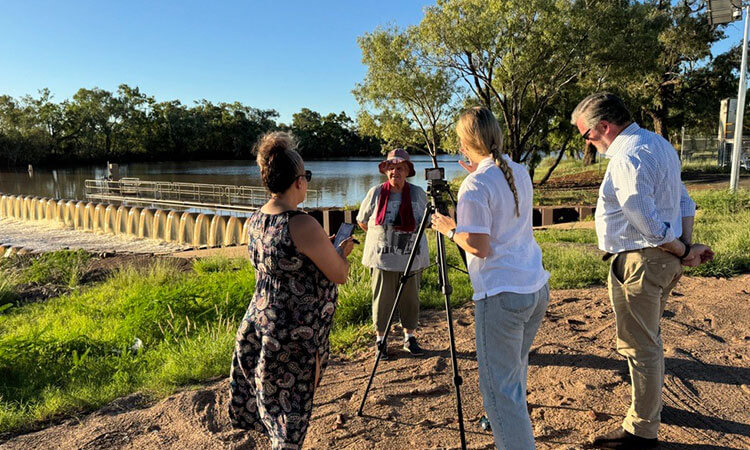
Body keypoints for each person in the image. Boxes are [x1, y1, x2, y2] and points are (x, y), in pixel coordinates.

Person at [571, 92, 714, 449]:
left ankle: (642, 429)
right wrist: (684, 247)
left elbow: (645, 222)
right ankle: (650, 406)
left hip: (641, 260)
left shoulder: (627, 156)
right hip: (659, 260)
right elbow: (683, 200)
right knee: (648, 338)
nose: (587, 142)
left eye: (586, 135)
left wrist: (681, 248)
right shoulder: (658, 145)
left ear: (604, 127)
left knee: (641, 346)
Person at [431, 106, 550, 449]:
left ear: (465, 143)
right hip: (534, 286)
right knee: (512, 375)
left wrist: (450, 229)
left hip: (502, 295)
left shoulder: (475, 184)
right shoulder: (518, 170)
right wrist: (477, 170)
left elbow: (479, 246)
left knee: (500, 390)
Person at [228, 131, 354, 450]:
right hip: (292, 338)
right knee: (290, 421)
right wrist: (340, 252)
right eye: (306, 175)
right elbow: (338, 274)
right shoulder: (302, 224)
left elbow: (283, 263)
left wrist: (322, 249)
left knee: (272, 413)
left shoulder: (255, 219)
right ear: (298, 181)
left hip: (259, 327)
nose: (307, 182)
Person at [357, 149, 429, 359]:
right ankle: (381, 340)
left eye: (399, 168)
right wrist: (383, 238)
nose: (394, 172)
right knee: (382, 300)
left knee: (411, 300)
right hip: (383, 259)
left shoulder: (418, 193)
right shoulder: (376, 192)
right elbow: (362, 221)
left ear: (407, 171)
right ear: (385, 170)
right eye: (391, 168)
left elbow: (428, 221)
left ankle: (410, 337)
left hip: (411, 259)